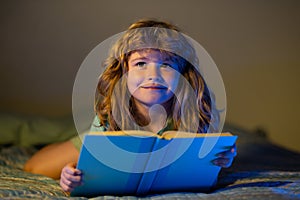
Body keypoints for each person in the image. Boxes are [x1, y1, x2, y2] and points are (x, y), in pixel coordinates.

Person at [24, 18, 237, 193]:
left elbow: (204, 168)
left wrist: (222, 158)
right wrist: (71, 174)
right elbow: (85, 173)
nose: (153, 76)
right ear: (124, 72)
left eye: (166, 65)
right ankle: (69, 136)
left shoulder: (195, 111)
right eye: (141, 63)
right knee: (34, 166)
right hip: (102, 134)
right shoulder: (109, 117)